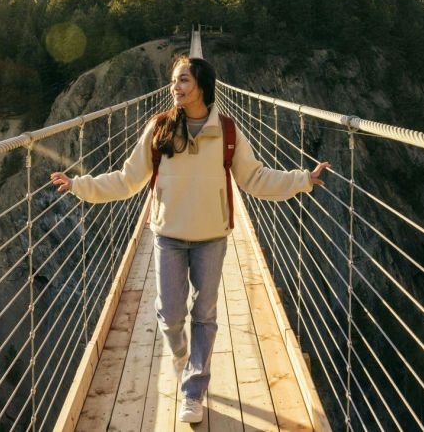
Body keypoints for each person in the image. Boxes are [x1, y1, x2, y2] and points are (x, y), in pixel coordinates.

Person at [50, 55, 329, 424]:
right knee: (169, 316)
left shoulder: (227, 132)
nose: (175, 88)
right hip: (167, 234)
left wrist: (302, 180)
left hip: (212, 235)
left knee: (205, 315)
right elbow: (128, 178)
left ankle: (193, 389)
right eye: (174, 81)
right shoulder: (160, 128)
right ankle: (185, 359)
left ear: (202, 86)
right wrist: (79, 186)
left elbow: (256, 178)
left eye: (183, 81)